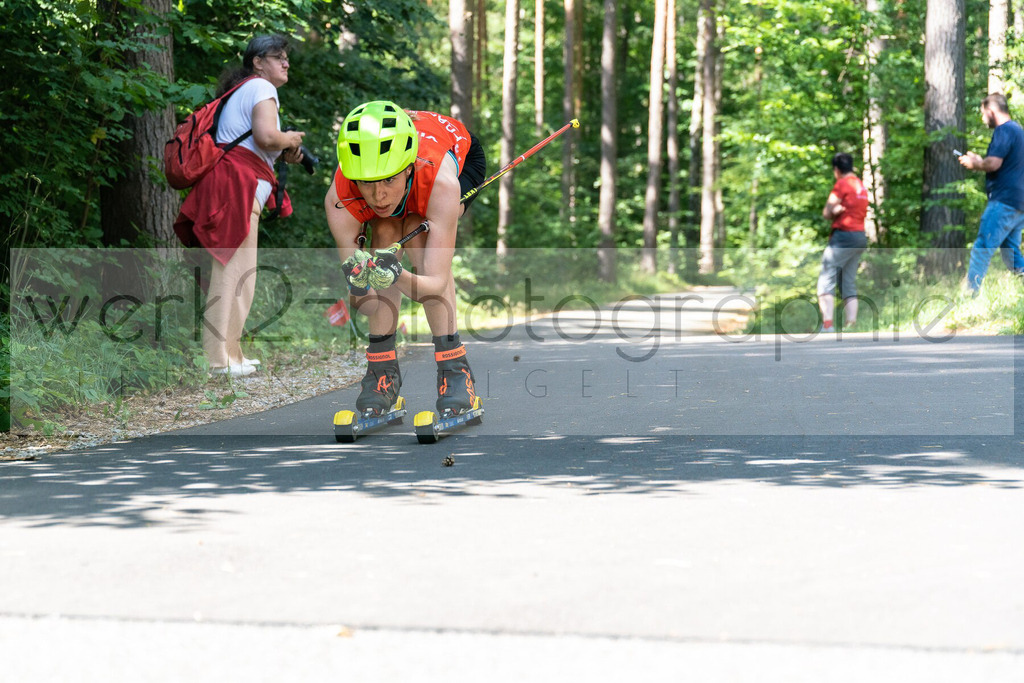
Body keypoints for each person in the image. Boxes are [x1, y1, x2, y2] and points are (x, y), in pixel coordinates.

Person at [325, 102, 486, 417]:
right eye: (367, 184)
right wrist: (362, 282)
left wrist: (394, 273)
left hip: (458, 157)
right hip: (415, 163)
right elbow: (365, 304)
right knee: (384, 230)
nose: (379, 196)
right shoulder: (340, 199)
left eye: (388, 181)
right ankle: (382, 372)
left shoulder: (442, 182)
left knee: (416, 231)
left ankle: (455, 370)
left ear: (408, 168)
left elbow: (435, 282)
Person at [174, 35, 307, 377]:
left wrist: (286, 149)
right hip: (236, 188)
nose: (285, 62)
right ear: (258, 62)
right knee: (231, 271)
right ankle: (217, 360)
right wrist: (289, 138)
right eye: (278, 56)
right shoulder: (261, 88)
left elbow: (259, 145)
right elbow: (265, 137)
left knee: (241, 275)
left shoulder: (246, 90)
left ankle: (232, 354)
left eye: (286, 57)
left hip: (239, 190)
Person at [958, 93, 1024, 295]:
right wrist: (981, 160)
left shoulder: (1003, 130)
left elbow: (994, 163)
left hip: (1003, 201)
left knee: (982, 246)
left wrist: (975, 164)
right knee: (1010, 250)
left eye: (983, 113)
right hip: (1018, 203)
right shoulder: (1018, 131)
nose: (983, 118)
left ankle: (970, 296)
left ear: (991, 111)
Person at [818, 152, 869, 332]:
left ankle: (828, 324)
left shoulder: (842, 184)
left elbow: (826, 212)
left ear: (837, 170)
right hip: (860, 237)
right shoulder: (861, 186)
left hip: (843, 236)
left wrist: (834, 211)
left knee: (826, 278)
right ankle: (851, 325)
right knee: (848, 281)